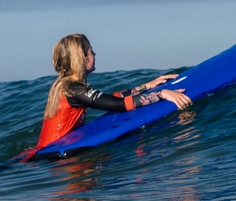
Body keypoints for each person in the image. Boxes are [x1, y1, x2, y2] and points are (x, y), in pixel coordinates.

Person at [29, 33, 192, 153]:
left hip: (48, 150)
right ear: (82, 58)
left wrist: (147, 86)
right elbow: (119, 105)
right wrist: (162, 94)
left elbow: (109, 99)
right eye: (91, 51)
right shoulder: (73, 89)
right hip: (54, 154)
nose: (94, 54)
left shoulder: (65, 85)